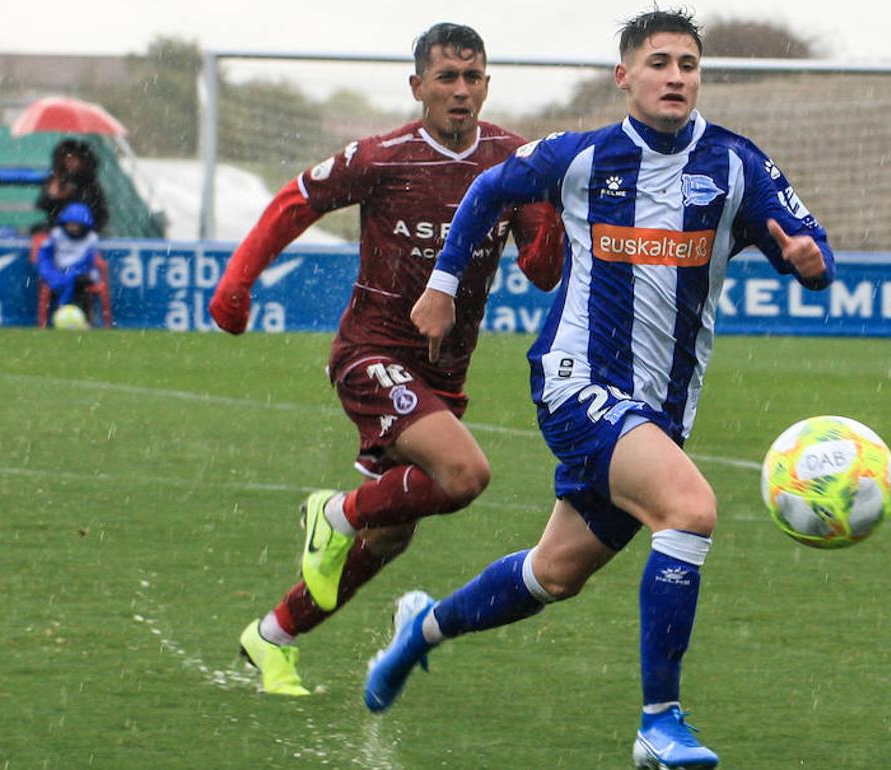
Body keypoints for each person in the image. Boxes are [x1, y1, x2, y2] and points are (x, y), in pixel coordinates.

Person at [374, 8, 835, 769]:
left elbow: (809, 248)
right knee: (689, 509)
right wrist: (444, 284)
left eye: (688, 64)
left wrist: (809, 261)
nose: (675, 77)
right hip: (576, 379)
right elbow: (488, 189)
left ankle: (419, 630)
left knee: (553, 574)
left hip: (662, 409)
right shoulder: (583, 156)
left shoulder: (736, 165)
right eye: (659, 63)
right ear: (625, 76)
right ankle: (660, 723)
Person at [208, 22, 563, 697]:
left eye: (473, 78)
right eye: (447, 78)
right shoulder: (383, 157)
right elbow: (296, 201)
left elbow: (542, 271)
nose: (461, 91)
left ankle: (272, 636)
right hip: (370, 354)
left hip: (443, 375)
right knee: (464, 475)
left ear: (487, 85)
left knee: (391, 538)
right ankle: (334, 513)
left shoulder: (513, 162)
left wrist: (553, 216)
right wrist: (237, 282)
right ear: (418, 86)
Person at [34, 202, 103, 324]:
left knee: (81, 283)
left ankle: (85, 319)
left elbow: (90, 261)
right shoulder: (57, 235)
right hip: (58, 272)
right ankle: (61, 314)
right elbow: (44, 257)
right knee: (65, 283)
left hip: (82, 273)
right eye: (71, 224)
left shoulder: (91, 238)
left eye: (77, 225)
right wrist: (52, 274)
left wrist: (76, 271)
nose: (74, 228)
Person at [33, 139, 110, 235]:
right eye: (66, 158)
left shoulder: (90, 183)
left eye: (74, 158)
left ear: (83, 160)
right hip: (57, 229)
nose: (69, 162)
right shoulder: (57, 178)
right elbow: (42, 205)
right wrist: (52, 196)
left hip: (84, 230)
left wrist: (71, 195)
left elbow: (98, 212)